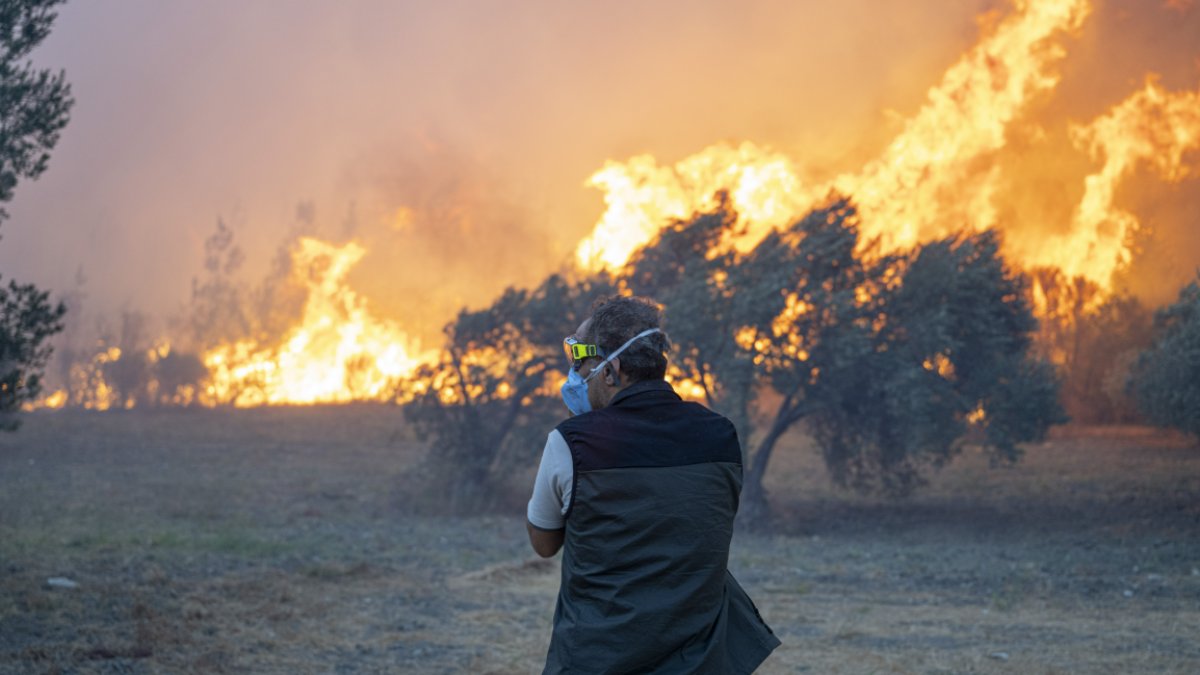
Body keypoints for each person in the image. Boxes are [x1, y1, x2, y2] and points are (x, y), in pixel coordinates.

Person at [526, 295, 780, 674]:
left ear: (611, 371)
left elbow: (544, 544)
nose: (575, 374)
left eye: (581, 360)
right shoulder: (720, 435)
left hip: (598, 659)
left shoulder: (571, 443)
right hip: (700, 661)